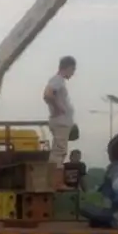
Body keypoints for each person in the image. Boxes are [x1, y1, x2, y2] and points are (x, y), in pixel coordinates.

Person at [43, 56, 77, 188]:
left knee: (60, 151)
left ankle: (55, 181)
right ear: (68, 67)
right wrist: (58, 108)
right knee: (58, 152)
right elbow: (47, 94)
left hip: (62, 122)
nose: (73, 74)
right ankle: (56, 182)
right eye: (73, 70)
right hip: (60, 122)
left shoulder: (59, 81)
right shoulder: (58, 80)